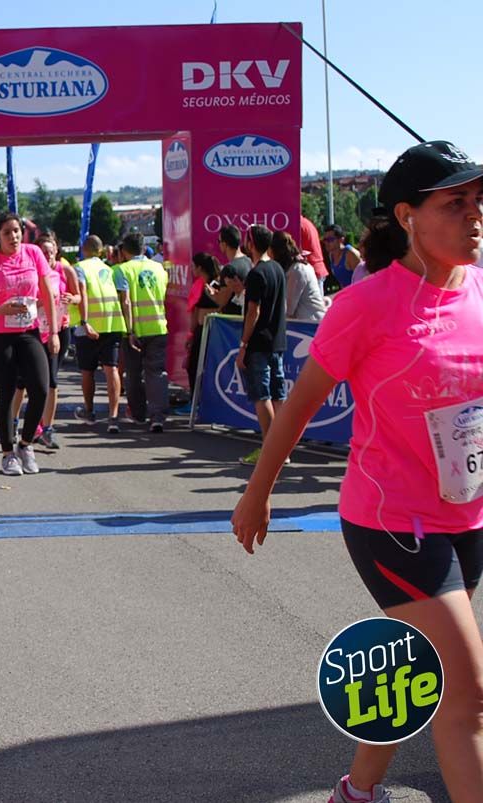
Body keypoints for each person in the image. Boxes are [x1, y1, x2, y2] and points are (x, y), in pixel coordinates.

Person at [233, 139, 483, 803]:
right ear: (407, 215)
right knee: (470, 694)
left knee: (410, 664)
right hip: (392, 519)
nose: (475, 213)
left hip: (468, 514)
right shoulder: (366, 306)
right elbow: (298, 408)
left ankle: (356, 789)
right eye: (455, 202)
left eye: (478, 199)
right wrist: (257, 495)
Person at [0, 211, 58, 476]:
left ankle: (26, 443)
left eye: (17, 231)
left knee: (41, 388)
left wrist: (53, 332)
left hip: (29, 332)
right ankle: (8, 453)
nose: (14, 236)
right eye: (7, 232)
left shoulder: (33, 253)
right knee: (6, 395)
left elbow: (47, 294)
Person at [237, 224, 288, 466]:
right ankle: (281, 449)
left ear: (252, 243)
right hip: (277, 341)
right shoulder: (277, 268)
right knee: (277, 394)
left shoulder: (257, 274)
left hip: (259, 342)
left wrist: (243, 343)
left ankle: (271, 449)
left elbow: (252, 312)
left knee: (262, 395)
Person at [27, 233, 80, 449]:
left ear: (56, 251)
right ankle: (36, 424)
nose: (48, 256)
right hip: (36, 330)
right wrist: (39, 303)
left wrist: (71, 298)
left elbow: (78, 296)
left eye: (51, 251)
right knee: (37, 381)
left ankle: (47, 428)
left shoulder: (65, 270)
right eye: (44, 252)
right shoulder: (32, 272)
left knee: (52, 380)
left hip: (60, 330)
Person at [113, 232, 170, 432]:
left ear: (124, 250)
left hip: (135, 330)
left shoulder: (122, 270)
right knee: (156, 373)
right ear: (144, 248)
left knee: (134, 374)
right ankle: (158, 416)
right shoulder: (159, 268)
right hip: (158, 326)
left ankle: (138, 414)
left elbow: (125, 301)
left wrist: (129, 331)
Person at [72, 235, 124, 431]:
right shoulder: (110, 269)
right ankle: (113, 416)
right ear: (101, 251)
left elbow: (83, 292)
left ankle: (89, 410)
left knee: (87, 371)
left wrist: (84, 321)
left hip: (90, 325)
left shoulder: (81, 268)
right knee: (111, 370)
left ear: (83, 249)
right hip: (112, 322)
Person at [186, 252, 222, 395]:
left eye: (193, 266)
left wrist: (191, 334)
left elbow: (195, 312)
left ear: (200, 268)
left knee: (196, 367)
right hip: (209, 331)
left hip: (206, 331)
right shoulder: (212, 284)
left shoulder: (208, 285)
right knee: (200, 367)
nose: (191, 269)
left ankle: (198, 400)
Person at [273, 229, 327, 323]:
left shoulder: (297, 271)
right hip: (306, 322)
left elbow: (288, 309)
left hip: (310, 324)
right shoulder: (296, 268)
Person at [324, 224, 362, 292]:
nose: (326, 243)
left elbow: (363, 278)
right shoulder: (331, 255)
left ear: (341, 240)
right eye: (325, 240)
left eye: (330, 239)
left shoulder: (351, 254)